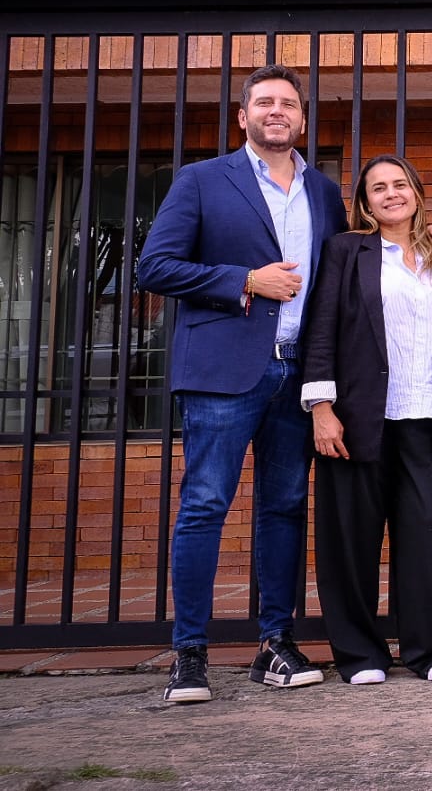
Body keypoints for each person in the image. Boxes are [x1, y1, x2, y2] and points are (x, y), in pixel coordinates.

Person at [137, 63, 348, 704]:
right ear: (243, 116)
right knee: (205, 504)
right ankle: (190, 654)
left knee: (284, 507)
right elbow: (155, 266)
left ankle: (274, 644)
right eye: (264, 102)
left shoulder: (324, 192)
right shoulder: (202, 180)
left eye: (288, 103)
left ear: (302, 118)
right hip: (223, 372)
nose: (276, 111)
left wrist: (428, 240)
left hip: (298, 373)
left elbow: (347, 267)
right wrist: (245, 281)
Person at [299, 154, 432, 687]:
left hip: (425, 413)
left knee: (423, 532)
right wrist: (321, 407)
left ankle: (428, 648)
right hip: (357, 415)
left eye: (400, 184)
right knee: (351, 536)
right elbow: (321, 326)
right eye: (378, 188)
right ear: (365, 203)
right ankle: (359, 653)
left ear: (416, 192)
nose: (391, 194)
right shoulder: (347, 250)